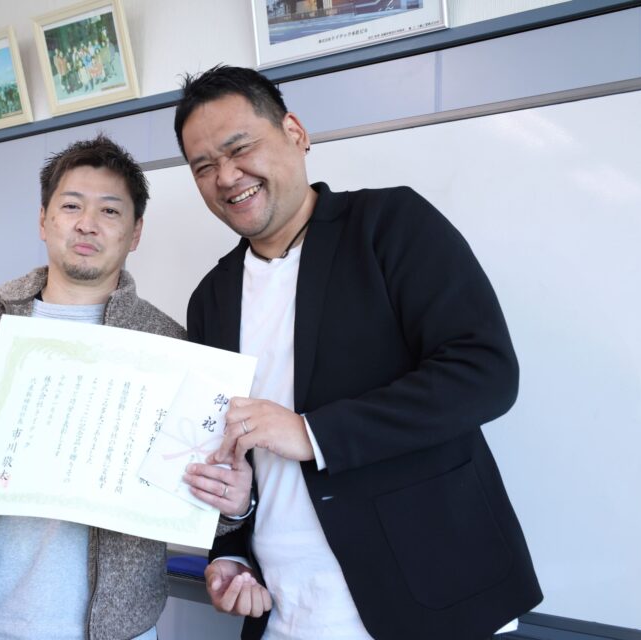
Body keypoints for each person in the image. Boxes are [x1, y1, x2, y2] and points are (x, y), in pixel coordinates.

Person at [178, 65, 543, 640]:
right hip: (286, 612)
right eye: (203, 166)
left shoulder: (389, 225)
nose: (226, 176)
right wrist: (234, 546)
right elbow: (224, 453)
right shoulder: (211, 298)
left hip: (433, 601)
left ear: (294, 133)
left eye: (239, 148)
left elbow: (486, 372)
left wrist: (313, 433)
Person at [0, 134, 254, 640]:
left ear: (136, 232)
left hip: (116, 633)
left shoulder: (171, 347)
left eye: (110, 211)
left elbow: (203, 509)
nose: (87, 223)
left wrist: (235, 503)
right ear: (43, 220)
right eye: (71, 205)